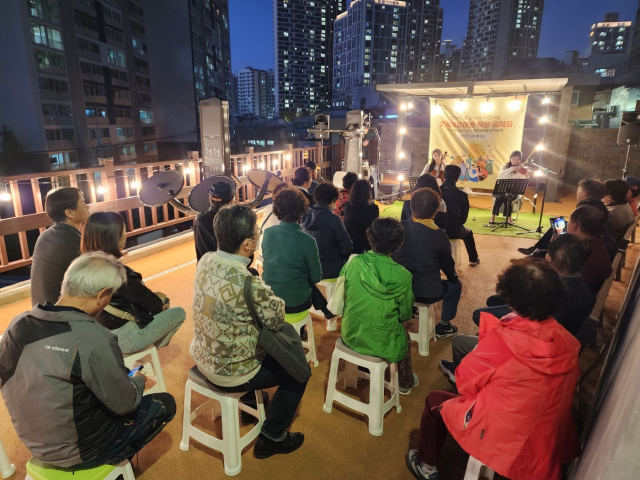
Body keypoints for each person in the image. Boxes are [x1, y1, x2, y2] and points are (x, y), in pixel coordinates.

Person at [407, 258, 580, 480]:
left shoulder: (504, 341)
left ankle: (427, 467)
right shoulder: (567, 340)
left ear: (511, 297)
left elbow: (464, 382)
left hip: (506, 434)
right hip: (548, 438)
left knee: (434, 401)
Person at [0, 252, 176, 468]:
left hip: (35, 446)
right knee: (165, 403)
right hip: (83, 452)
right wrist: (138, 380)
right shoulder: (92, 337)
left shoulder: (17, 325)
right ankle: (116, 460)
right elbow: (126, 404)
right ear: (102, 295)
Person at [190, 205, 307, 458]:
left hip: (202, 357)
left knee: (242, 333)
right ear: (247, 244)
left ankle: (250, 401)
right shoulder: (249, 283)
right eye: (257, 234)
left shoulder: (205, 260)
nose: (258, 237)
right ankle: (272, 437)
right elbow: (276, 319)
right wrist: (262, 285)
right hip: (232, 372)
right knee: (298, 373)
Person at [441, 234, 596, 383]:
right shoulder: (585, 295)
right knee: (492, 301)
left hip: (527, 351)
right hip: (548, 348)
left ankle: (460, 376)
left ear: (551, 259)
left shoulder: (546, 295)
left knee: (465, 333)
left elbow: (525, 334)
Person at [82, 212, 186, 354]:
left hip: (101, 331)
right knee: (178, 312)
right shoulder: (120, 273)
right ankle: (148, 351)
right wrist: (161, 302)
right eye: (124, 230)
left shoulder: (84, 265)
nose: (126, 234)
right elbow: (152, 303)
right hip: (125, 338)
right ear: (113, 237)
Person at [340, 217, 418, 394]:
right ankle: (405, 382)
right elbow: (405, 314)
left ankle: (363, 366)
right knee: (404, 336)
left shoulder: (354, 262)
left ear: (370, 237)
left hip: (350, 332)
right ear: (399, 244)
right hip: (381, 340)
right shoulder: (403, 275)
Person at [393, 188, 462, 339]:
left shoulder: (398, 227)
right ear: (436, 210)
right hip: (427, 293)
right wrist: (454, 278)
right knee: (456, 286)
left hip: (397, 287)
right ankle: (444, 326)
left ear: (411, 206)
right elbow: (448, 266)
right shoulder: (440, 234)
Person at [262, 186, 335, 323]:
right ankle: (304, 327)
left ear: (276, 209)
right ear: (302, 210)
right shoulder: (307, 240)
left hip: (269, 297)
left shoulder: (268, 233)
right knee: (303, 279)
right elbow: (316, 277)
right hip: (296, 303)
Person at [518, 179, 616, 258]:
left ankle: (545, 252)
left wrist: (559, 239)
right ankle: (538, 248)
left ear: (584, 194)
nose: (577, 194)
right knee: (558, 223)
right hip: (593, 239)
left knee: (558, 226)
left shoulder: (587, 210)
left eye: (578, 192)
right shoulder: (600, 207)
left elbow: (581, 233)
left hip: (582, 243)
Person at [30, 187, 90, 306]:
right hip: (60, 313)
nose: (87, 207)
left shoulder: (45, 235)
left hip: (40, 309)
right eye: (83, 203)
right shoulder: (74, 241)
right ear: (69, 213)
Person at [301, 182, 353, 279]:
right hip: (331, 270)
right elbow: (346, 248)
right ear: (333, 201)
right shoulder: (334, 219)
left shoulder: (305, 217)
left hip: (309, 269)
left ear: (315, 198)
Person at [440, 164, 480, 266]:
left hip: (435, 228)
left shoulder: (435, 192)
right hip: (454, 230)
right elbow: (463, 219)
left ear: (443, 176)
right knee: (469, 233)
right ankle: (473, 259)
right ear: (457, 178)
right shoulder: (462, 195)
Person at [194, 179, 236, 262]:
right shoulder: (237, 217)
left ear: (210, 199)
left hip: (206, 266)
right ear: (232, 200)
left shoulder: (201, 220)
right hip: (232, 266)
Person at [343, 179, 380, 253]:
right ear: (368, 193)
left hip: (349, 243)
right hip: (366, 245)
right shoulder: (373, 209)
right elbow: (375, 228)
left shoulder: (348, 206)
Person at [489, 150, 525, 225]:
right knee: (500, 196)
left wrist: (522, 171)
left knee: (507, 197)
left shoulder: (521, 168)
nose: (515, 161)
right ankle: (493, 216)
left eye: (517, 159)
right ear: (510, 158)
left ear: (520, 160)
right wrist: (511, 169)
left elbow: (522, 179)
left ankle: (509, 217)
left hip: (513, 191)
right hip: (502, 189)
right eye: (513, 159)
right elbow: (501, 175)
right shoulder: (504, 166)